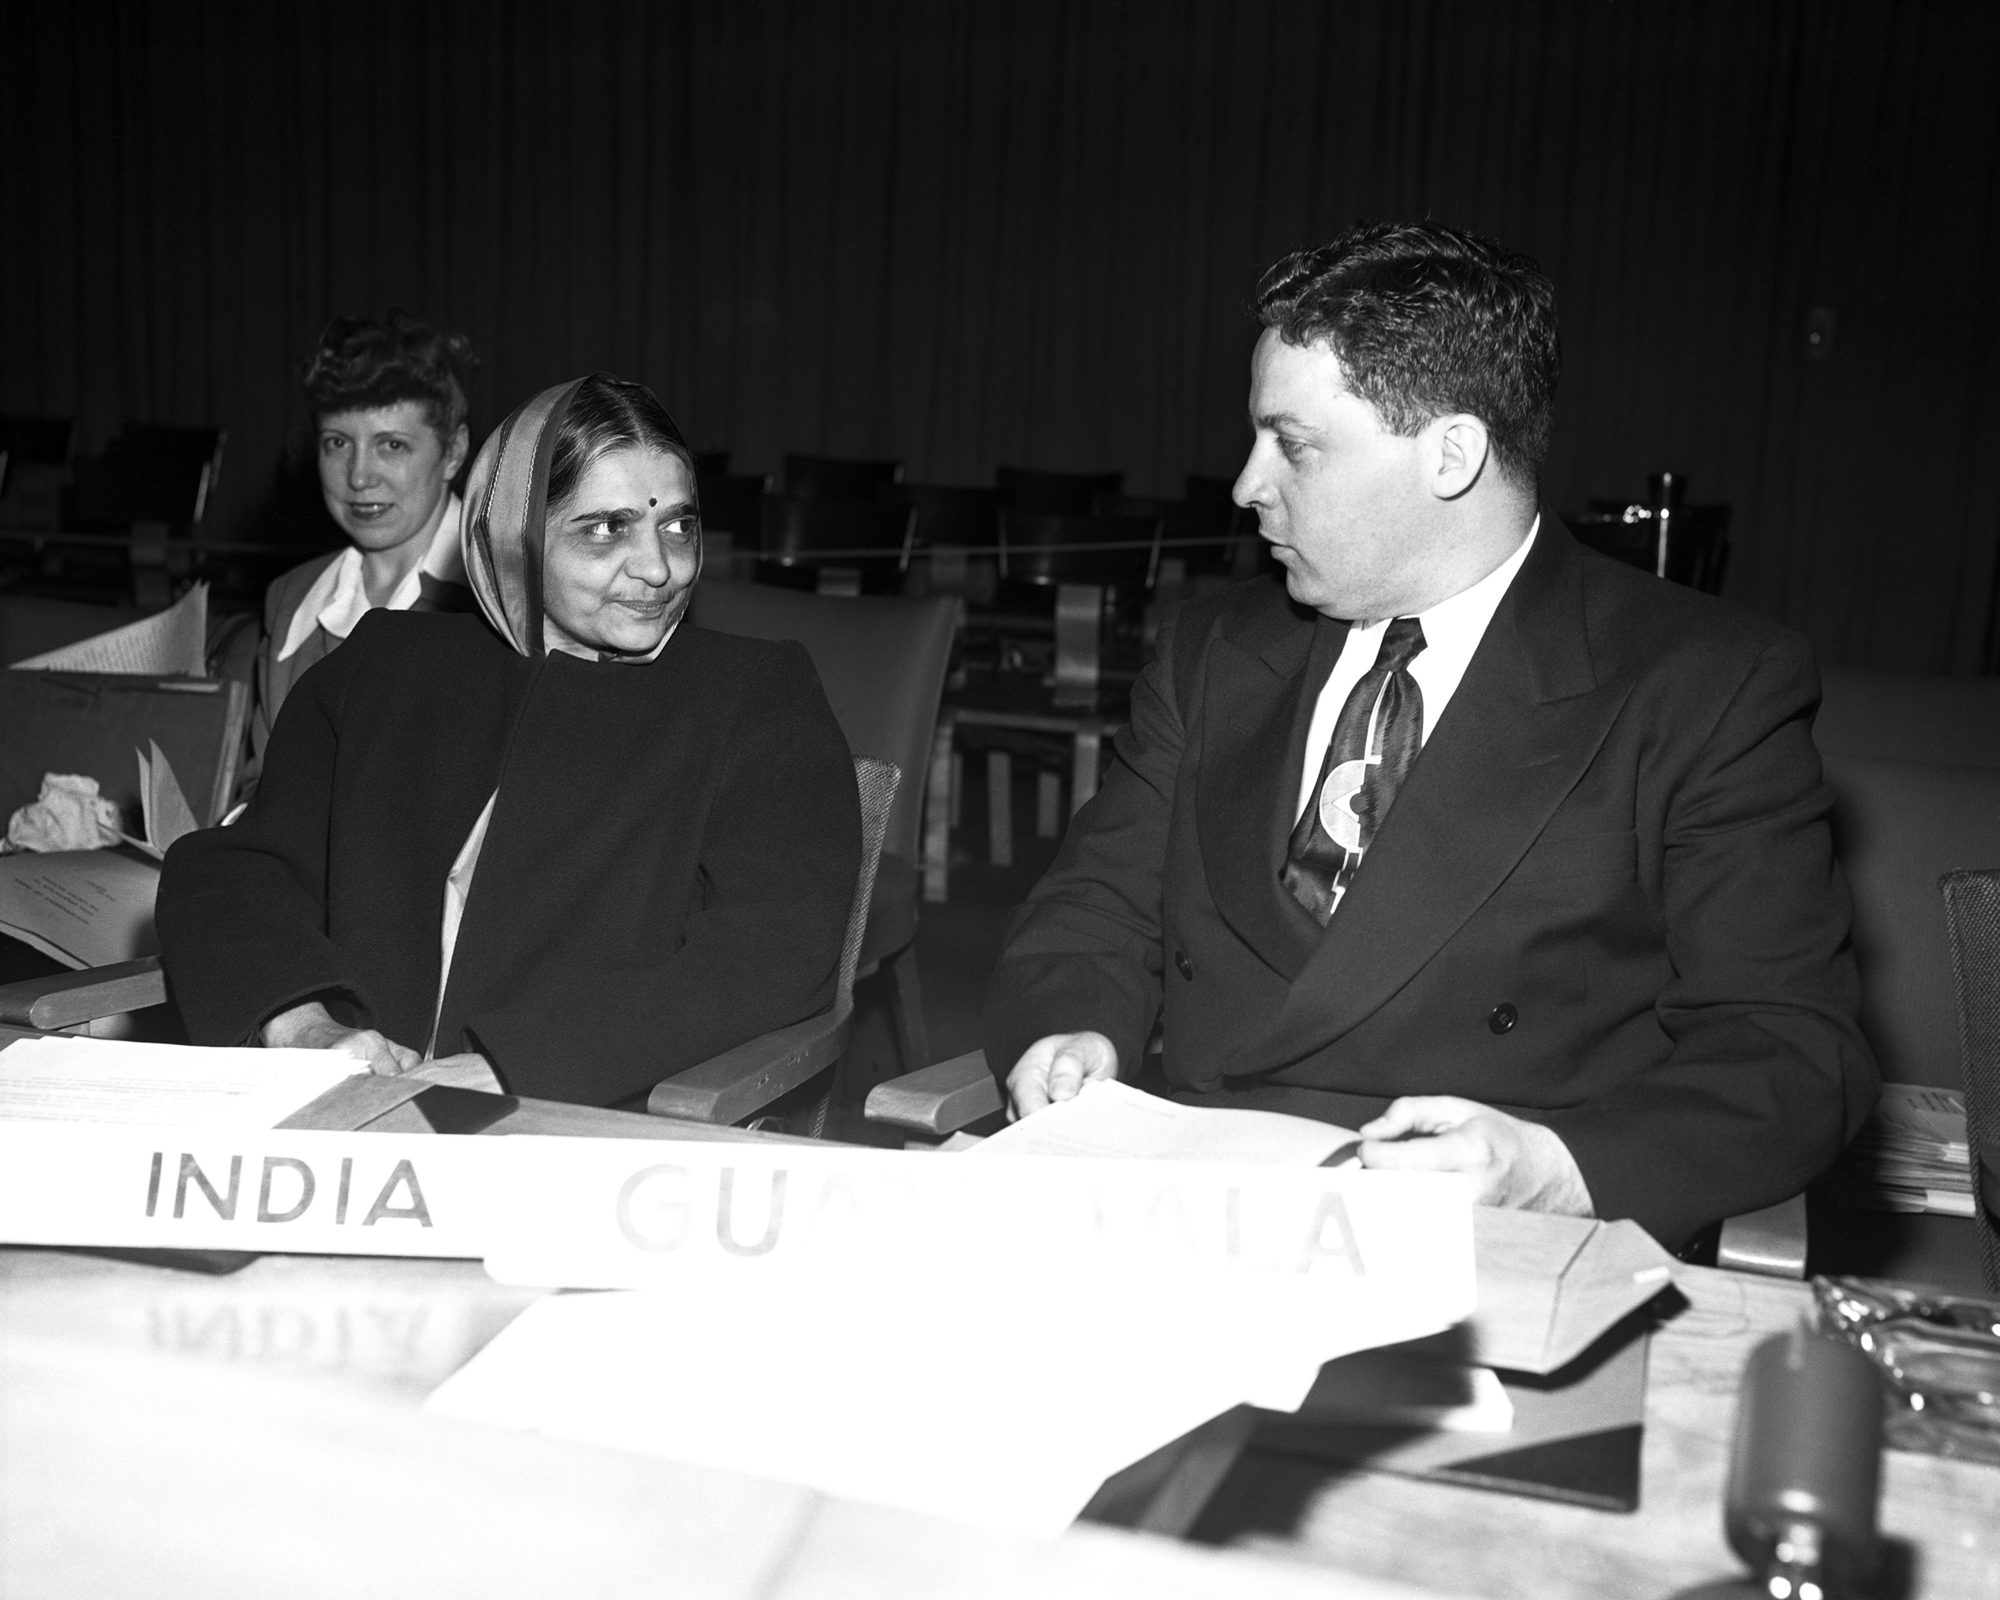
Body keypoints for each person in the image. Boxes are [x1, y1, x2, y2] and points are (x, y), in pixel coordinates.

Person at [983, 221, 1877, 1252]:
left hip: (1485, 1245)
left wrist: (1551, 1169)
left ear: (1449, 454)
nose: (1244, 484)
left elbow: (1788, 1048)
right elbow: (1090, 913)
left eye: (1293, 444)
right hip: (1186, 1212)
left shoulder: (1701, 686)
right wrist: (1068, 1033)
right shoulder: (1213, 648)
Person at [160, 374, 862, 1106]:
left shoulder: (753, 697)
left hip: (576, 1121)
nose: (659, 567)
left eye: (678, 526)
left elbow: (771, 952)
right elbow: (236, 871)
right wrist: (300, 1027)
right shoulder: (386, 668)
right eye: (605, 529)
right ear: (513, 537)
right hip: (339, 1108)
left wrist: (511, 1070)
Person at [247, 311, 481, 789]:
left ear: (453, 453)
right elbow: (262, 790)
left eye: (391, 445)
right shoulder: (291, 600)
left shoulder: (494, 600)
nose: (358, 476)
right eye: (337, 443)